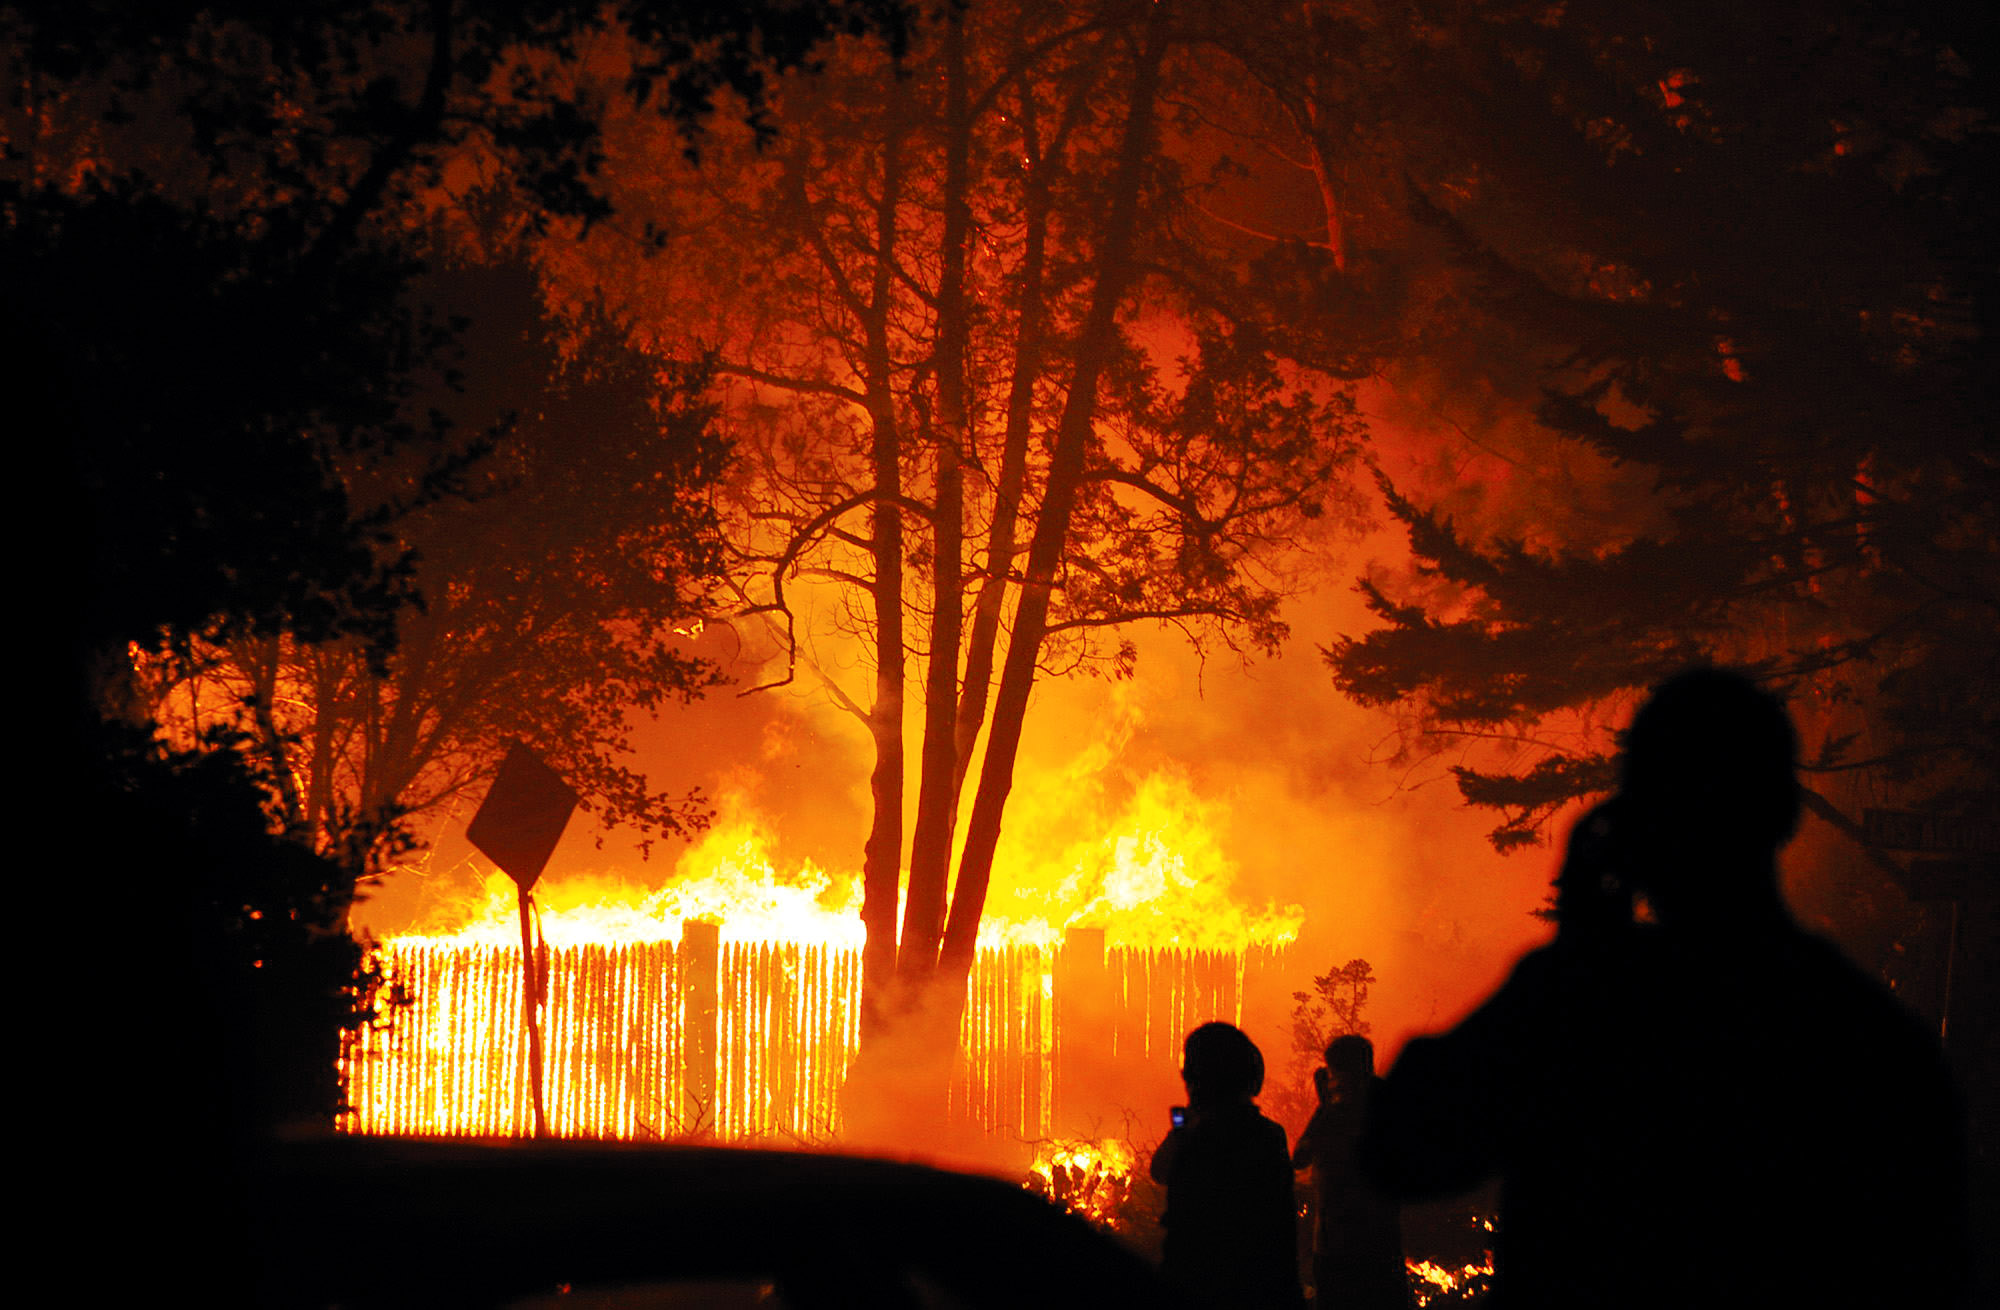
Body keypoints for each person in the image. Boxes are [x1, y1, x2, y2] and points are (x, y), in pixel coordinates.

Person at [1359, 666, 1969, 1309]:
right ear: (1785, 816)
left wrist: (1577, 940)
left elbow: (1399, 1153)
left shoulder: (1581, 1007)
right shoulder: (1867, 1038)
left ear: (1635, 819)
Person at [1150, 1021, 1304, 1309]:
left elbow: (1160, 1172)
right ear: (1252, 1078)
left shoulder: (1199, 1137)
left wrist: (1185, 1128)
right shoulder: (1267, 1136)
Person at [1292, 1036, 1410, 1309]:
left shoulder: (1337, 1113)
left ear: (1339, 1073)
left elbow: (1299, 1158)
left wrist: (1325, 1107)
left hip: (1337, 1245)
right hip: (1382, 1243)